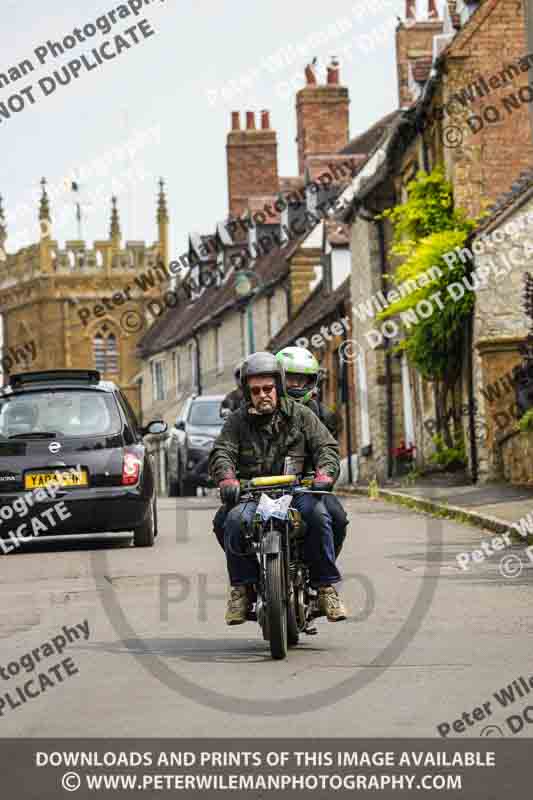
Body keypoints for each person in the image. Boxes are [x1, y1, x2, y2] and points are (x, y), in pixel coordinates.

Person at [208, 351, 347, 626]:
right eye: (256, 390)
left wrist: (324, 473)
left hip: (298, 492)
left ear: (278, 387)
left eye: (268, 389)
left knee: (324, 516)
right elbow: (221, 452)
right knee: (230, 521)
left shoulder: (302, 415)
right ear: (248, 393)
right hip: (252, 494)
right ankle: (243, 589)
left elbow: (326, 448)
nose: (263, 395)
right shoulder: (237, 421)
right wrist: (227, 479)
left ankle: (324, 587)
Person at [275, 346, 349, 557]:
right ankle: (249, 579)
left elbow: (327, 450)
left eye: (303, 379)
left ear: (312, 382)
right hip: (268, 485)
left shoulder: (324, 416)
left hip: (309, 487)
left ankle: (324, 567)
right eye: (290, 379)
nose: (297, 385)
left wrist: (324, 475)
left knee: (338, 518)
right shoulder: (264, 410)